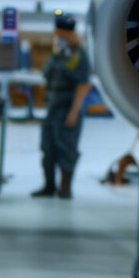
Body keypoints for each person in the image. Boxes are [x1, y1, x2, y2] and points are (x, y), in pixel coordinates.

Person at [33, 13, 92, 199]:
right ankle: (49, 187)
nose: (57, 35)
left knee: (67, 149)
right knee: (48, 148)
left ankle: (65, 189)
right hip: (52, 109)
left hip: (68, 109)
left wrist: (74, 112)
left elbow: (84, 85)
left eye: (59, 32)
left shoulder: (79, 55)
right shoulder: (59, 53)